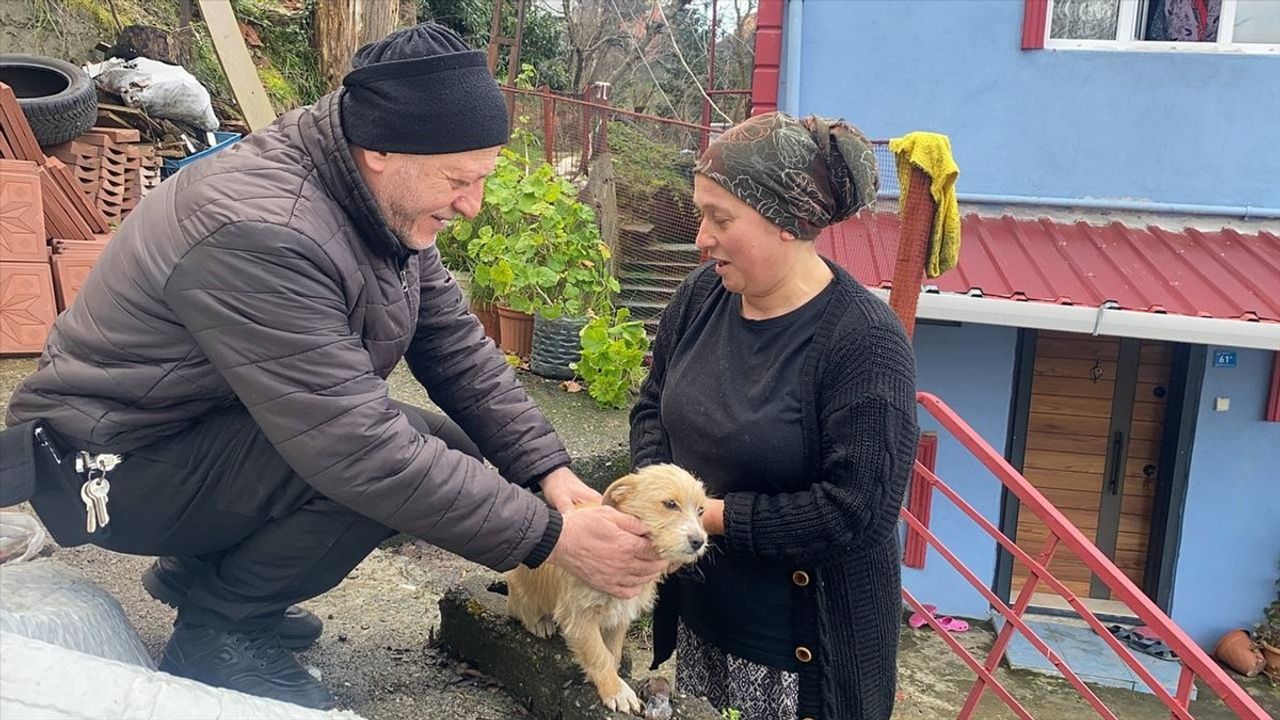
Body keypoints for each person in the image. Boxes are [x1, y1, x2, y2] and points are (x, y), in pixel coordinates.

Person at [3, 23, 666, 710]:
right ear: (382, 148)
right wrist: (554, 541)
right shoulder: (263, 230)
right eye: (459, 179)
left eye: (483, 179)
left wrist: (547, 474)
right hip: (100, 471)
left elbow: (456, 349)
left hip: (182, 437)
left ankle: (207, 573)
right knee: (389, 468)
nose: (471, 205)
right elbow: (357, 448)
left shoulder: (374, 202)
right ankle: (222, 629)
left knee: (449, 453)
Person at [629, 112, 919, 720]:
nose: (701, 237)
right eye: (701, 213)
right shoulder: (701, 296)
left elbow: (857, 511)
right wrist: (663, 496)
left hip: (799, 659)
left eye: (721, 218)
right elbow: (653, 405)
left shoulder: (865, 342)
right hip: (704, 628)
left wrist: (708, 516)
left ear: (787, 223)